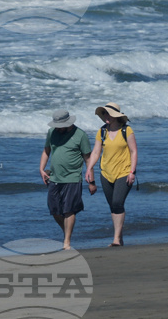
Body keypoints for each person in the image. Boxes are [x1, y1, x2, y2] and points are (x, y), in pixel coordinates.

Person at [84, 102, 138, 246]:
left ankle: (115, 240)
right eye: (104, 114)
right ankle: (119, 238)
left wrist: (132, 172)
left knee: (117, 203)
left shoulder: (127, 131)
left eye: (108, 113)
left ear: (115, 116)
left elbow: (134, 152)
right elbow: (96, 152)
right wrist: (89, 168)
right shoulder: (102, 131)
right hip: (106, 173)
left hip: (124, 172)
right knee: (113, 206)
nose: (105, 116)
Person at [40, 109, 92, 250]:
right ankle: (67, 232)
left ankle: (66, 242)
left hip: (73, 177)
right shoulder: (52, 132)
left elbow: (88, 159)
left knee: (69, 209)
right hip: (54, 176)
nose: (58, 128)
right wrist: (41, 169)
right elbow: (46, 151)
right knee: (55, 210)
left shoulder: (80, 135)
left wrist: (91, 179)